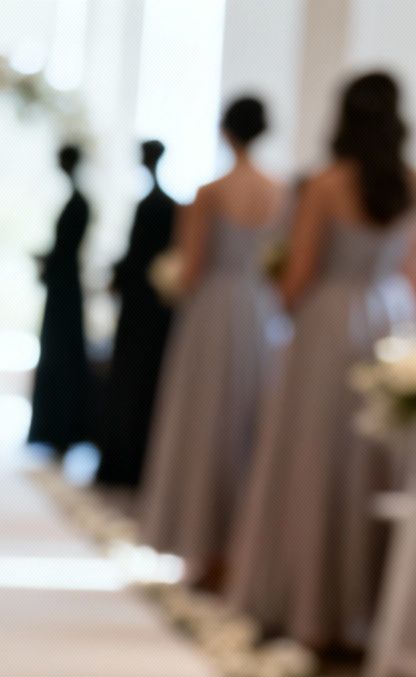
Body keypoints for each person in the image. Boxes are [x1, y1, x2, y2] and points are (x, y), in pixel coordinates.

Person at [227, 72, 416, 651]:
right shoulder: (408, 183)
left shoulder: (326, 185)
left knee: (313, 457)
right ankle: (365, 612)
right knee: (371, 463)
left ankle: (304, 607)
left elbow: (296, 281)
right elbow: (411, 274)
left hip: (326, 327)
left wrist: (278, 279)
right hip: (387, 321)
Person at [139, 98, 284, 588]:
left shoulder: (210, 192)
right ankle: (238, 547)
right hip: (260, 312)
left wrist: (172, 283)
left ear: (226, 132)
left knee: (204, 421)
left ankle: (201, 546)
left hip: (213, 313)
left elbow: (192, 266)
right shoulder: (279, 191)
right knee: (247, 422)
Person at [95, 140, 178, 487]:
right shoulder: (167, 203)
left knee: (135, 381)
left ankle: (127, 459)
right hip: (153, 307)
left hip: (143, 309)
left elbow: (142, 256)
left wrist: (119, 277)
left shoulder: (154, 204)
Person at [28, 144, 92, 456]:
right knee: (56, 354)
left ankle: (62, 429)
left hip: (66, 289)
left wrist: (48, 263)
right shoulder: (75, 201)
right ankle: (52, 428)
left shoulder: (79, 203)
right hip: (62, 287)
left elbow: (67, 249)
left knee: (62, 356)